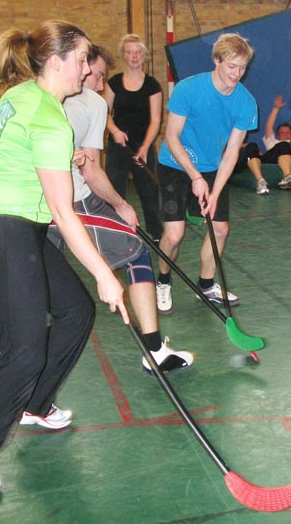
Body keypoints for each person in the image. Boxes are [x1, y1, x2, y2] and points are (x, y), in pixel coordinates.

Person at [0, 21, 129, 500]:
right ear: (57, 62)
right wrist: (105, 273)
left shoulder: (21, 94)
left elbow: (35, 180)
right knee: (22, 353)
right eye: (82, 58)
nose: (88, 67)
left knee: (74, 311)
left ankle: (36, 403)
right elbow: (63, 209)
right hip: (7, 234)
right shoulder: (48, 118)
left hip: (19, 228)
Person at [50, 44, 192, 373]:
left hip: (40, 201)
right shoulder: (91, 103)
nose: (99, 83)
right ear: (79, 67)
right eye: (96, 75)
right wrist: (122, 205)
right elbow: (90, 171)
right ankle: (154, 349)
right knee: (138, 254)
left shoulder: (50, 96)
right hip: (73, 199)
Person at [155, 33, 257, 315]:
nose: (237, 74)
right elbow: (172, 137)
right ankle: (163, 280)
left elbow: (232, 151)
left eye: (242, 68)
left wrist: (214, 190)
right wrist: (195, 176)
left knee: (220, 229)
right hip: (176, 164)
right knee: (174, 235)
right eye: (231, 66)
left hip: (213, 167)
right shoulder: (188, 89)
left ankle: (206, 285)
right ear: (216, 60)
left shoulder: (246, 103)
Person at [101, 34, 164, 242]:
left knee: (149, 192)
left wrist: (145, 147)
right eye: (129, 52)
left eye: (137, 52)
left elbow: (156, 120)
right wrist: (115, 131)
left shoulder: (152, 85)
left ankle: (156, 234)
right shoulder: (114, 83)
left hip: (142, 146)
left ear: (143, 55)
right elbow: (104, 112)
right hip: (118, 146)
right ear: (124, 56)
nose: (134, 56)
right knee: (115, 190)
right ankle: (115, 231)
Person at [238, 91, 291, 194]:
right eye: (282, 133)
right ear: (278, 135)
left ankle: (287, 177)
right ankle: (260, 181)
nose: (285, 135)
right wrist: (275, 108)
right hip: (270, 158)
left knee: (286, 145)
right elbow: (268, 127)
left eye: (288, 133)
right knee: (252, 146)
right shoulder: (274, 142)